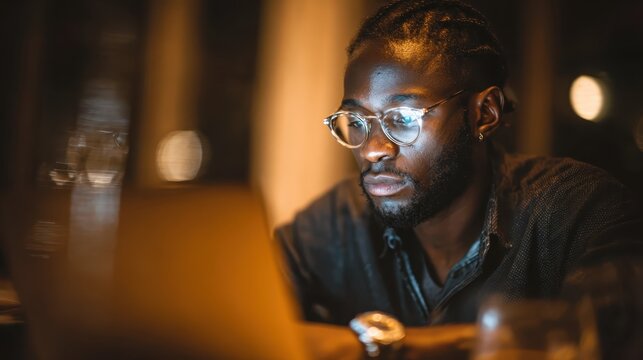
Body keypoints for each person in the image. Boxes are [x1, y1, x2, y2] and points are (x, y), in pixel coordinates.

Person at [276, 0, 643, 358]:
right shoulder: (339, 222)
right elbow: (235, 320)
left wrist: (388, 346)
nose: (373, 150)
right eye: (357, 122)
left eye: (403, 119)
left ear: (484, 114)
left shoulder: (573, 208)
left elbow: (610, 334)